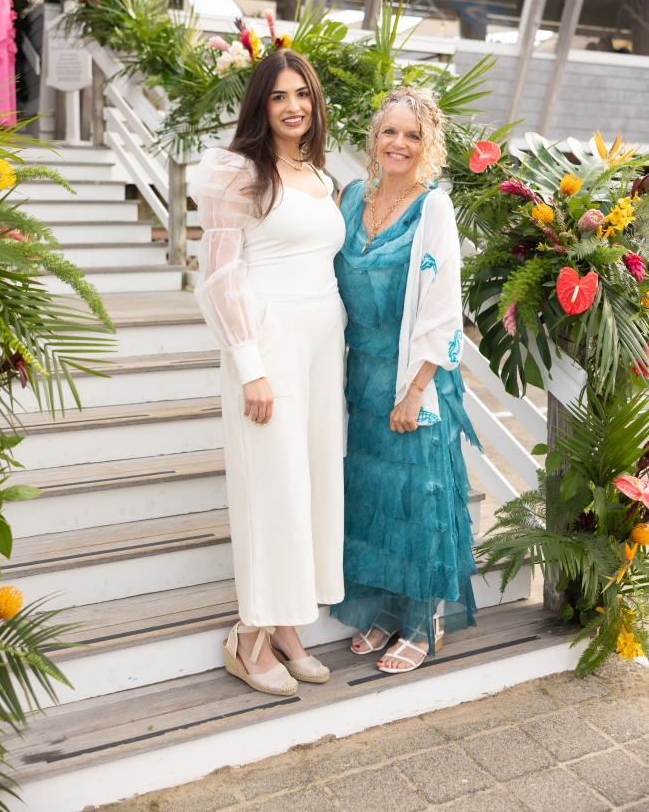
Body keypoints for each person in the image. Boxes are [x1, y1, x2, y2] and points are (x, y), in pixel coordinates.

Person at [190, 49, 346, 697]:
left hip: (322, 344)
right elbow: (219, 276)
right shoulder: (240, 172)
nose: (292, 106)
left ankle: (286, 627)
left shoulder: (320, 175)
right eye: (278, 95)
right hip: (269, 342)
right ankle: (247, 636)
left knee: (308, 486)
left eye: (301, 94)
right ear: (260, 104)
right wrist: (249, 365)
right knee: (271, 487)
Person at [330, 85, 481, 673]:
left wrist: (415, 391)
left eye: (412, 135)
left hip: (411, 377)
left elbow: (443, 306)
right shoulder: (351, 197)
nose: (399, 143)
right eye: (389, 131)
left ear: (428, 144)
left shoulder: (433, 207)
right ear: (374, 137)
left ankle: (422, 621)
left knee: (417, 500)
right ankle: (386, 610)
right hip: (361, 376)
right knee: (374, 500)